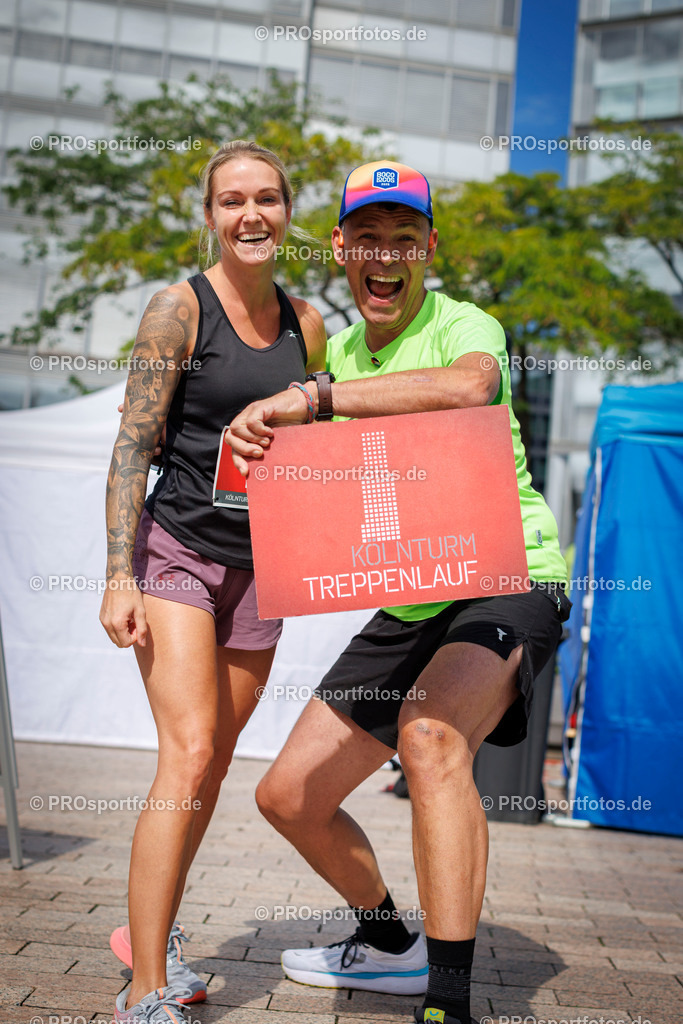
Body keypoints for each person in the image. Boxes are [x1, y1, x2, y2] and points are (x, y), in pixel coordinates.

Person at [226, 160, 571, 1024]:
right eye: (367, 237)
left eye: (403, 237)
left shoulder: (465, 325)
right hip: (416, 592)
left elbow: (470, 390)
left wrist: (317, 397)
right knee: (288, 798)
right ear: (340, 247)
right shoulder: (335, 348)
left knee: (429, 736)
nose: (385, 253)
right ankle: (387, 947)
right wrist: (252, 436)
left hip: (504, 572)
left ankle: (450, 1004)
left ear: (428, 247)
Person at [99, 140, 325, 1024]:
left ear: (287, 211)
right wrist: (119, 575)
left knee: (214, 765)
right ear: (209, 216)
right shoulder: (177, 310)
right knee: (187, 753)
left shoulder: (307, 323)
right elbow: (131, 449)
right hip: (177, 554)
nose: (251, 216)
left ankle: (148, 939)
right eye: (232, 201)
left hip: (261, 569)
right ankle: (147, 989)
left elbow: (314, 454)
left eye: (266, 199)